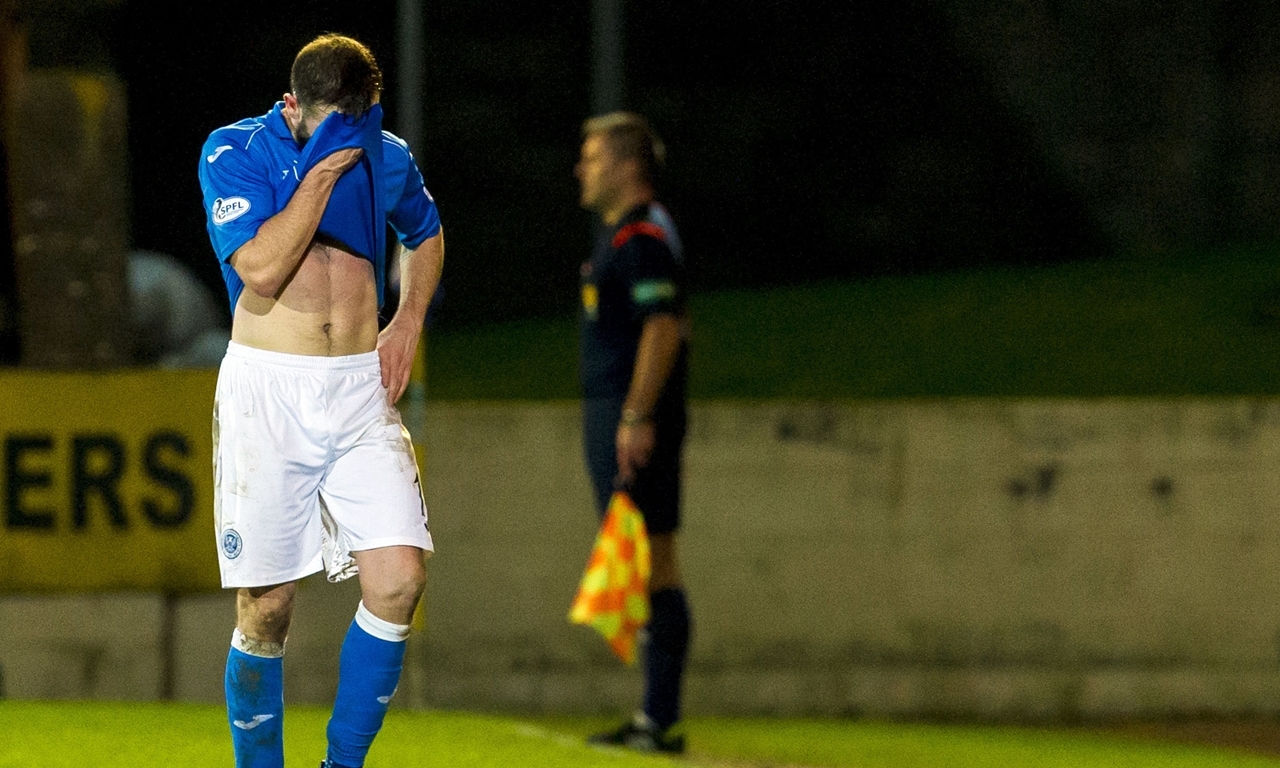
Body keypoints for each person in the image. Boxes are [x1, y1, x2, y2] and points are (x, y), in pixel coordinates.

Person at [196, 33, 444, 768]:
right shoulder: (234, 151)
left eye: (360, 124)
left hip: (359, 391)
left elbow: (425, 234)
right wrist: (323, 167)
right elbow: (263, 269)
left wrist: (407, 320)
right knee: (267, 608)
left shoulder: (385, 151)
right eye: (336, 122)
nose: (353, 138)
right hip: (269, 392)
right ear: (293, 106)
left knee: (400, 580)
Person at [574, 111, 693, 754]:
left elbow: (664, 326)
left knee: (654, 561)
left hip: (632, 420)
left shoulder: (643, 236)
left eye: (592, 157)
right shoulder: (622, 237)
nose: (581, 170)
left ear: (626, 166)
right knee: (645, 563)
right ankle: (654, 715)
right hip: (621, 416)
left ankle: (658, 718)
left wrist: (636, 415)